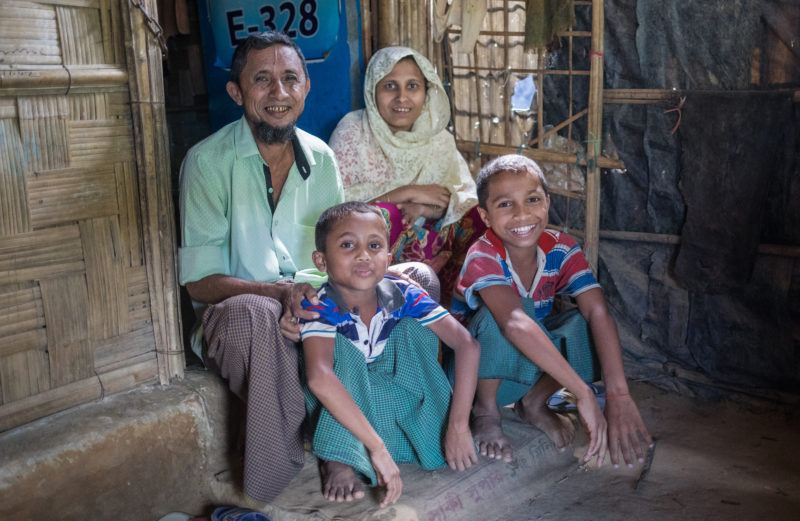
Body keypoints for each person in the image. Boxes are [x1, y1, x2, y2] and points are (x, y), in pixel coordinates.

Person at [178, 31, 345, 503]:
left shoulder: (324, 160)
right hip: (237, 317)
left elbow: (335, 255)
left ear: (306, 86)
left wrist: (309, 298)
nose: (278, 93)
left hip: (307, 303)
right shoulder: (208, 163)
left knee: (408, 282)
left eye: (290, 78)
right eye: (262, 80)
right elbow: (199, 280)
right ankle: (277, 469)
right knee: (254, 312)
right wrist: (278, 295)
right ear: (237, 92)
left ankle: (342, 441)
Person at [451, 154, 652, 467]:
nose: (522, 214)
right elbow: (515, 323)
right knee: (496, 318)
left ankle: (534, 402)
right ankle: (486, 411)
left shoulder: (562, 248)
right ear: (485, 216)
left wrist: (618, 394)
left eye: (532, 199)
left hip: (527, 367)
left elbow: (597, 312)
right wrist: (581, 393)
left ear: (547, 202)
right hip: (474, 376)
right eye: (505, 204)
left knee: (585, 322)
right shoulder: (483, 253)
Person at [300, 202, 480, 507]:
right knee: (344, 352)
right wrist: (377, 448)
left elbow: (466, 345)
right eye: (347, 245)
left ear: (388, 257)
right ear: (321, 260)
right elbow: (319, 379)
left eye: (374, 245)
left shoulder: (401, 292)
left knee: (413, 330)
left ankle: (393, 443)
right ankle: (340, 456)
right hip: (339, 394)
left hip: (386, 387)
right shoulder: (319, 305)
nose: (363, 255)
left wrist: (459, 425)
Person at [329, 46, 486, 302]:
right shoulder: (353, 131)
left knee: (478, 218)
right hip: (377, 253)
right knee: (381, 217)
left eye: (412, 86)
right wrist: (409, 193)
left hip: (434, 240)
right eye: (390, 85)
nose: (402, 97)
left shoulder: (438, 139)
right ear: (372, 90)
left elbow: (457, 198)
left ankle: (460, 308)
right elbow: (338, 212)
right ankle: (383, 301)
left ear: (426, 91)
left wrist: (422, 209)